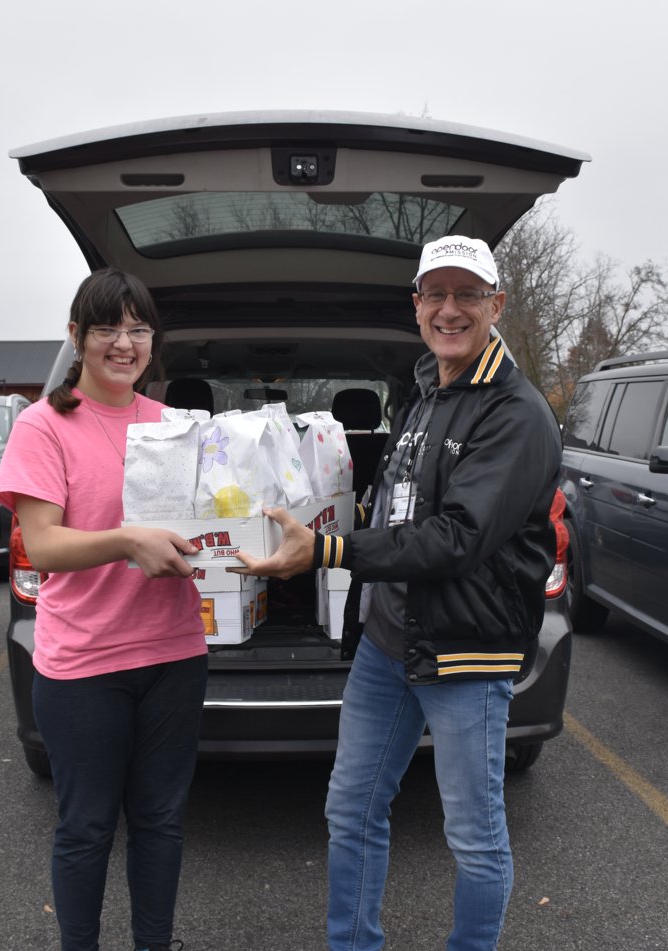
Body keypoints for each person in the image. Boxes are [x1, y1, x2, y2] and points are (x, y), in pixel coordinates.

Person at [233, 236, 562, 951]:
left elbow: (455, 538)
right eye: (435, 294)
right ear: (416, 306)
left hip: (466, 654)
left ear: (495, 305)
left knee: (473, 835)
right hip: (387, 645)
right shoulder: (424, 392)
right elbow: (397, 510)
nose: (449, 309)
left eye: (466, 294)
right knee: (350, 808)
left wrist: (324, 549)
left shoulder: (516, 413)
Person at [0, 268, 207, 951]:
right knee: (86, 825)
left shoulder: (176, 426)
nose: (125, 343)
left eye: (139, 328)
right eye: (107, 328)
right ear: (76, 336)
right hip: (83, 661)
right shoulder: (43, 425)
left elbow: (207, 526)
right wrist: (126, 541)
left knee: (161, 819)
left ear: (153, 340)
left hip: (174, 652)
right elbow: (46, 544)